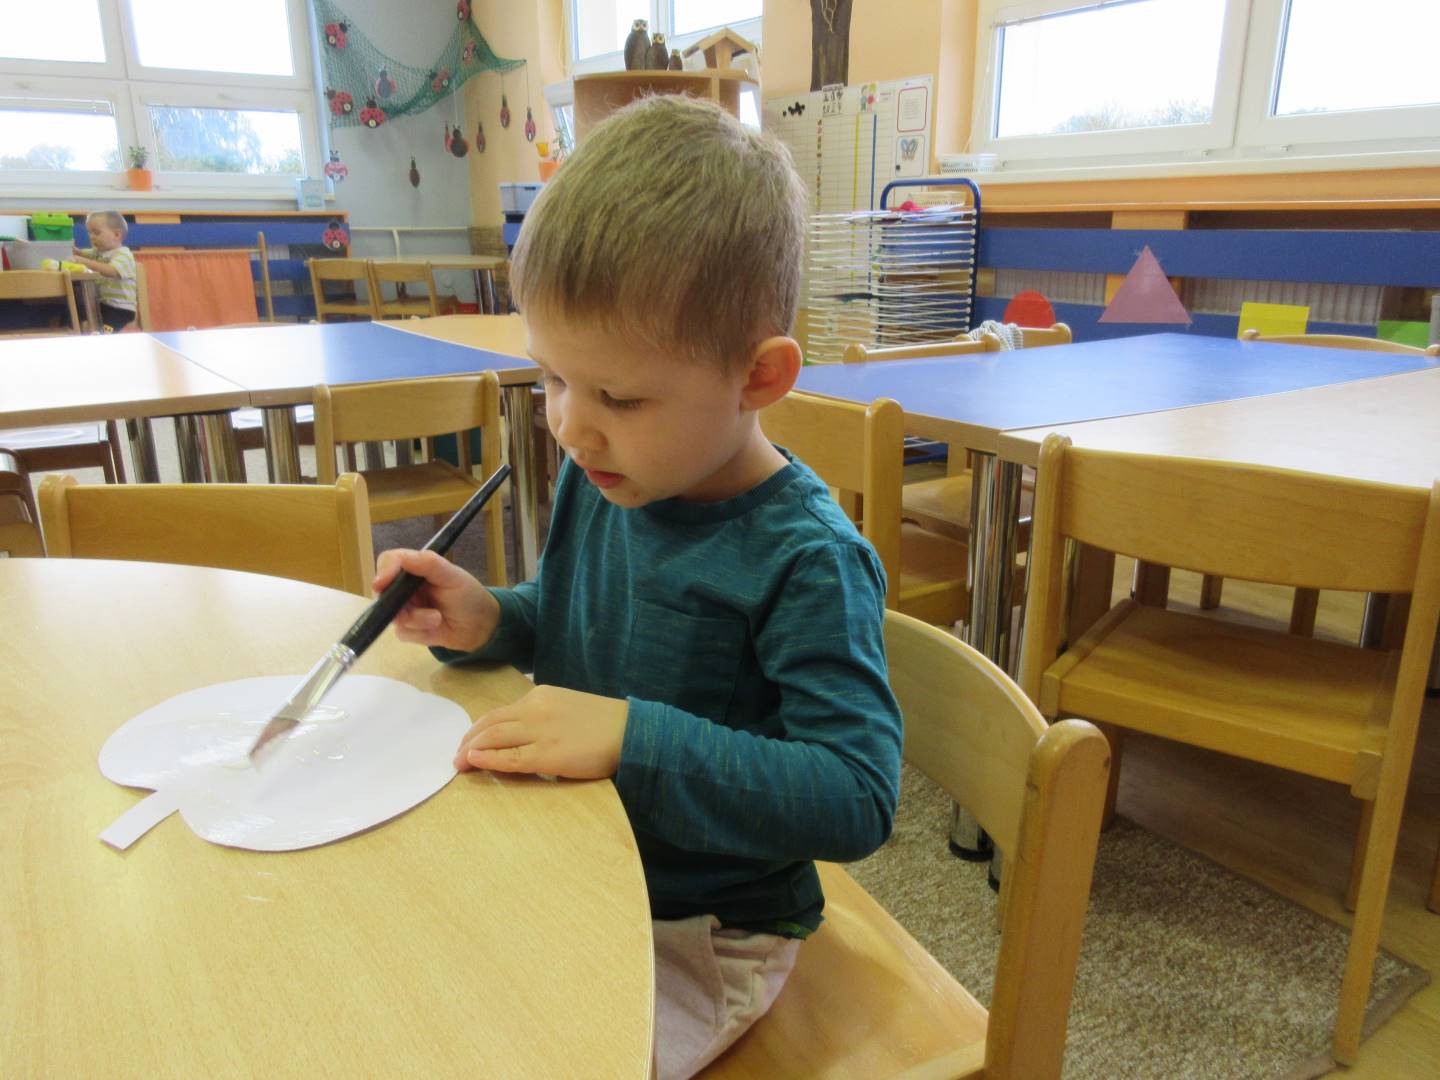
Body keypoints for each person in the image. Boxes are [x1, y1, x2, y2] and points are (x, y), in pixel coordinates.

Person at [374, 95, 902, 1079]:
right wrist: (493, 618)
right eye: (551, 380)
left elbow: (857, 796)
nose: (570, 426)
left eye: (617, 396)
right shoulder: (608, 472)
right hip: (582, 856)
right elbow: (579, 622)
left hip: (704, 929)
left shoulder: (806, 558)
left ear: (759, 378)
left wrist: (630, 738)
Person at [71, 210, 138, 332]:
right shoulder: (98, 253)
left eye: (96, 233)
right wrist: (75, 251)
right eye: (90, 233)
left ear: (117, 234)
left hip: (120, 308)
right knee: (83, 314)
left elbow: (111, 271)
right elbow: (82, 253)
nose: (92, 237)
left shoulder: (123, 254)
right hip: (104, 304)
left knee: (105, 333)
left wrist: (82, 261)